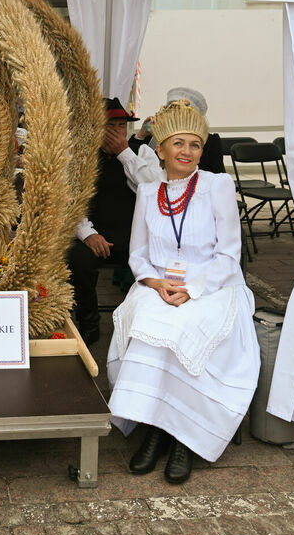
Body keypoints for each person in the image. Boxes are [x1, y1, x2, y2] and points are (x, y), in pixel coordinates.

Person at [108, 101, 259, 484]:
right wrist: (156, 283)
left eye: (195, 144)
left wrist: (192, 289)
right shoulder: (147, 191)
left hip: (213, 285)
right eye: (178, 143)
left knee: (186, 326)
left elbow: (229, 254)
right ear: (160, 149)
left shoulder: (216, 186)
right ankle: (155, 428)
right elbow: (138, 255)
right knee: (147, 320)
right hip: (159, 285)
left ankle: (181, 439)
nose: (187, 152)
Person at [68, 97, 140, 345]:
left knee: (154, 258)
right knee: (76, 258)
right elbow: (71, 202)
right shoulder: (82, 159)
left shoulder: (141, 154)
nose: (117, 132)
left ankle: (140, 323)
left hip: (133, 237)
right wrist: (88, 234)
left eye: (121, 126)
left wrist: (124, 154)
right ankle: (89, 321)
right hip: (97, 236)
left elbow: (152, 187)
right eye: (110, 127)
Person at [123, 87, 226, 183]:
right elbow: (133, 161)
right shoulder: (157, 135)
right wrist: (141, 135)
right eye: (170, 110)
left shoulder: (210, 140)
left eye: (195, 145)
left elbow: (217, 175)